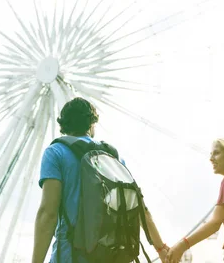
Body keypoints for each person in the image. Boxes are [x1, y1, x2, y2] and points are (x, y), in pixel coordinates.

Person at [32, 97, 169, 263]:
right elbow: (140, 209)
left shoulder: (55, 153)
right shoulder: (113, 157)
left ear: (64, 125)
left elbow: (48, 213)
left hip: (72, 256)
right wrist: (161, 249)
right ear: (92, 124)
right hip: (112, 255)